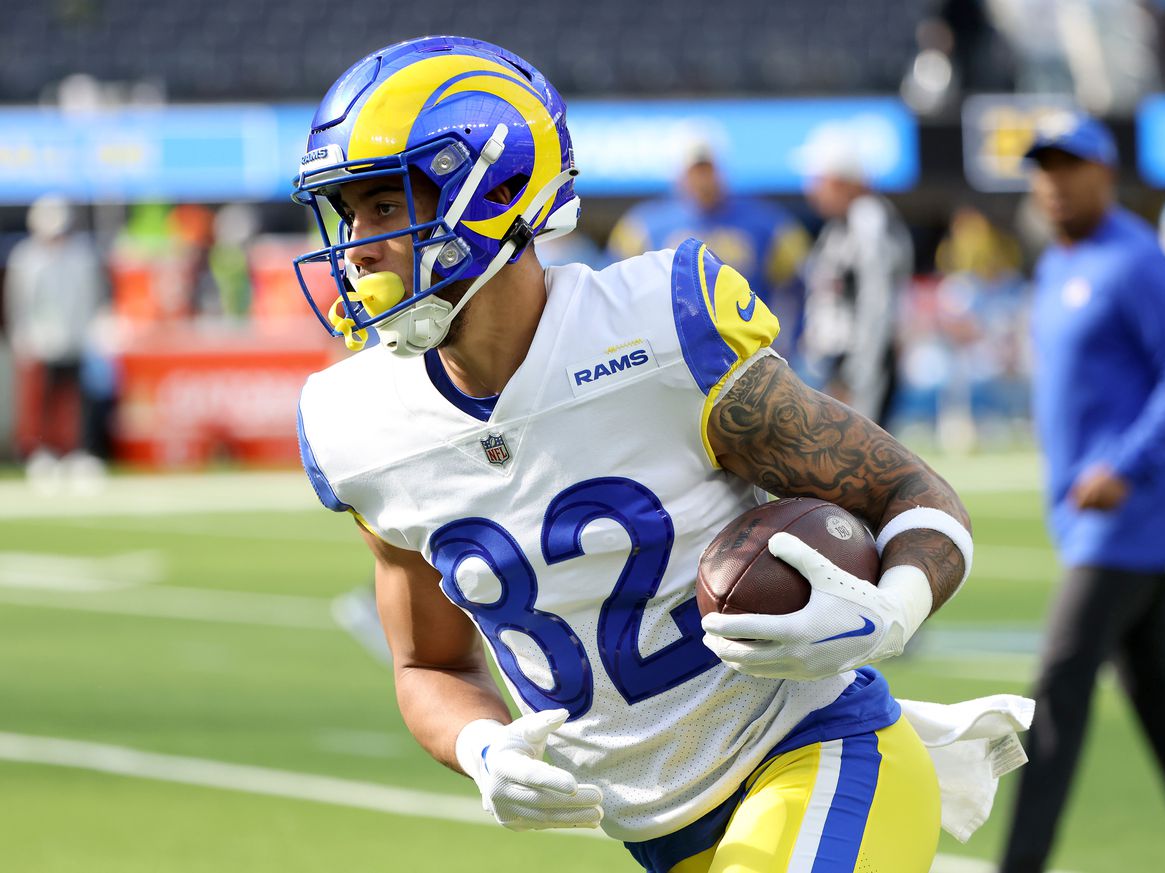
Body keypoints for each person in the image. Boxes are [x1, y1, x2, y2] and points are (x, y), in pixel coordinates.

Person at [291, 36, 1007, 873]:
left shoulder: (659, 331)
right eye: (348, 214)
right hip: (661, 836)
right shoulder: (359, 424)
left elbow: (915, 496)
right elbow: (428, 662)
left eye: (385, 206)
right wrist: (481, 746)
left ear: (495, 189)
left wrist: (891, 613)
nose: (358, 243)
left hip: (817, 753)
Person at [998, 113, 1165, 873]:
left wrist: (1125, 462)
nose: (1052, 182)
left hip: (1127, 516)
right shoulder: (1056, 265)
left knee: (1058, 684)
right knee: (1162, 706)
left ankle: (1020, 862)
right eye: (1041, 167)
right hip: (1086, 517)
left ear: (1104, 174)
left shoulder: (1139, 260)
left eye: (1068, 165)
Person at [608, 136, 809, 355]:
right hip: (674, 353)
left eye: (707, 170)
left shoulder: (768, 223)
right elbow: (615, 291)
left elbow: (800, 287)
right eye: (695, 171)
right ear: (678, 174)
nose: (702, 179)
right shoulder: (643, 225)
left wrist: (791, 342)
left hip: (748, 350)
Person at [797, 137, 913, 425]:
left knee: (857, 458)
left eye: (819, 181)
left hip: (859, 363)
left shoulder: (868, 219)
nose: (812, 191)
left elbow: (877, 301)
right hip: (842, 362)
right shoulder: (839, 226)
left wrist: (855, 374)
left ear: (843, 181)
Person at [3, 195, 106, 479]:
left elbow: (92, 295)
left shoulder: (81, 256)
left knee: (76, 400)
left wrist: (93, 329)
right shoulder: (26, 258)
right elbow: (19, 301)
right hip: (42, 340)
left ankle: (77, 453)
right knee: (42, 400)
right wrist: (23, 336)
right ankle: (41, 452)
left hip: (76, 338)